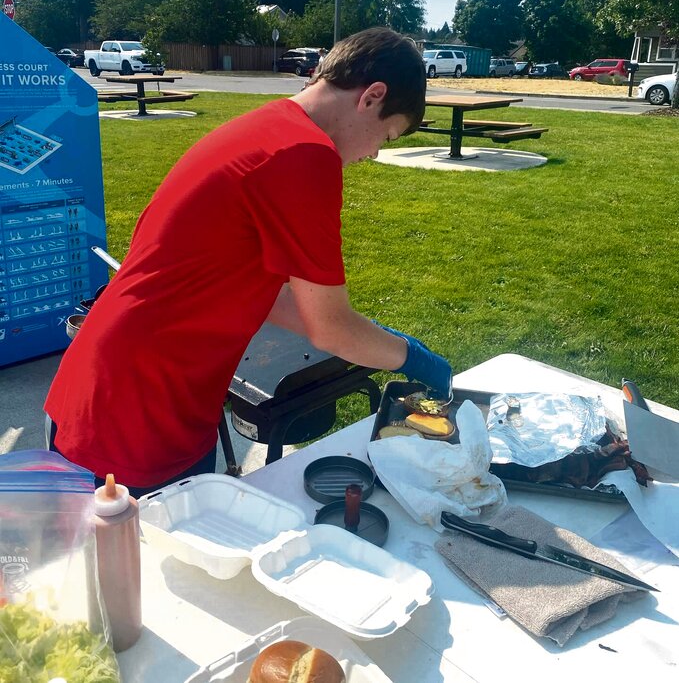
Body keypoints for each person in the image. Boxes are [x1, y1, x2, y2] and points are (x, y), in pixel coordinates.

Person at [45, 27, 451, 497]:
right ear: (372, 96)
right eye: (387, 133)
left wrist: (376, 338)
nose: (375, 151)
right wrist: (413, 357)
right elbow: (330, 329)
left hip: (139, 393)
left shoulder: (270, 125)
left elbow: (275, 297)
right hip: (135, 412)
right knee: (133, 567)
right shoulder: (305, 155)